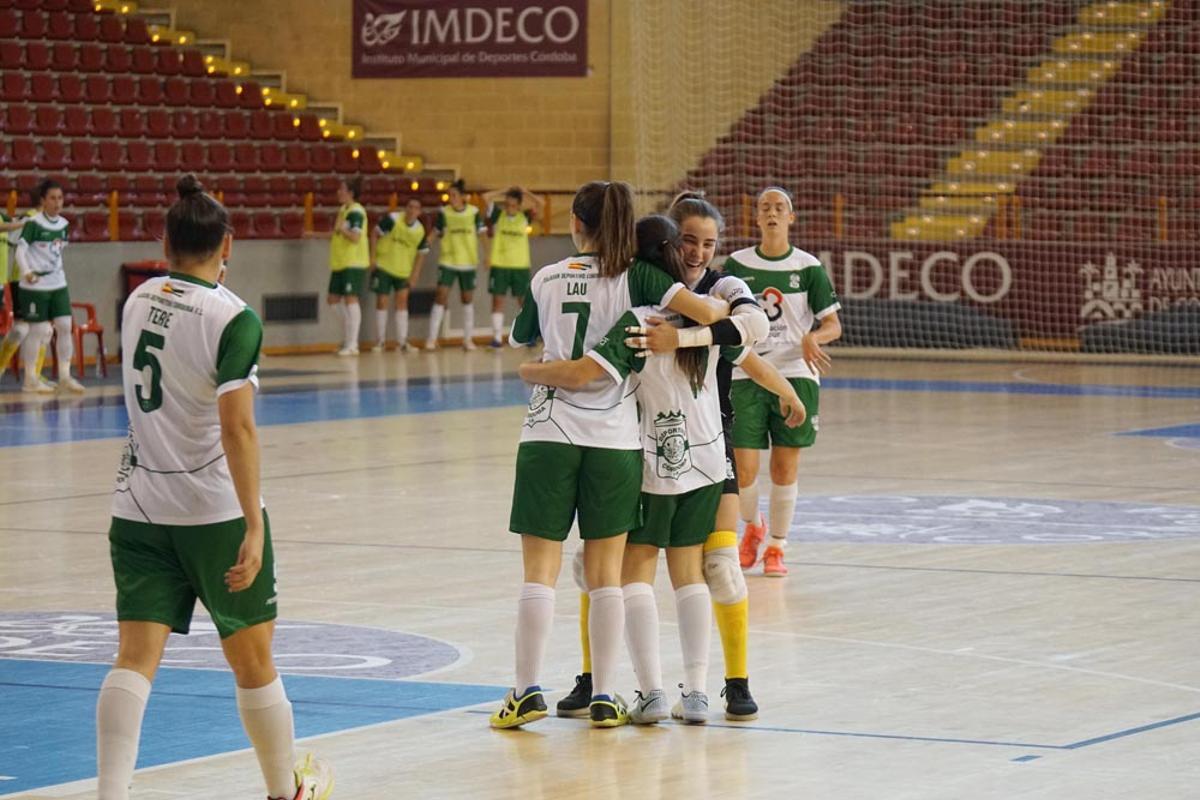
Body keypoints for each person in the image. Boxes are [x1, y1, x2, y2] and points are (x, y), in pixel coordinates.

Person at [98, 175, 332, 800]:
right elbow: (237, 428)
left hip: (138, 506)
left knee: (133, 660)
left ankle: (110, 793)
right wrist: (253, 523)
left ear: (164, 241)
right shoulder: (234, 318)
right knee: (253, 661)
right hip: (213, 513)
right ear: (227, 245)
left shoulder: (138, 299)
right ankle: (285, 791)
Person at [523, 215, 805, 725]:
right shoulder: (709, 311)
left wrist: (534, 371)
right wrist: (786, 390)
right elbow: (748, 349)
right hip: (703, 459)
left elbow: (586, 373)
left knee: (628, 574)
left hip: (650, 459)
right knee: (688, 573)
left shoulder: (638, 315)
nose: (699, 250)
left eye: (708, 242)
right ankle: (688, 692)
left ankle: (655, 691)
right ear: (675, 250)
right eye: (690, 241)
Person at [490, 181, 731, 731]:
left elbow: (521, 338)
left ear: (575, 224)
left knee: (539, 572)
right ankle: (604, 695)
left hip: (547, 433)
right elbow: (707, 312)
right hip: (613, 441)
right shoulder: (640, 277)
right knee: (606, 576)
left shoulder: (546, 276)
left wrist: (534, 367)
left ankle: (525, 690)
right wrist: (726, 303)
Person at [727, 187, 842, 577]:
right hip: (745, 370)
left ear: (791, 218)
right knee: (743, 469)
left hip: (795, 373)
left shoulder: (808, 267)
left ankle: (777, 546)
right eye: (765, 208)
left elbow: (833, 324)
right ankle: (753, 527)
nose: (772, 213)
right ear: (757, 218)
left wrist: (815, 337)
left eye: (779, 208)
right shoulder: (737, 264)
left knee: (783, 467)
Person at [6, 180, 83, 393]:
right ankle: (30, 378)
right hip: (35, 287)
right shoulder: (33, 224)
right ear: (43, 200)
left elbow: (57, 252)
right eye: (52, 198)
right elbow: (20, 251)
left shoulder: (64, 225)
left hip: (58, 284)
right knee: (38, 330)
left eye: (60, 198)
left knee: (65, 325)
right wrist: (27, 272)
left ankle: (65, 376)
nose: (57, 203)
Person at [426, 179, 488, 351]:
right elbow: (434, 233)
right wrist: (424, 246)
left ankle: (467, 339)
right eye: (449, 195)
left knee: (467, 299)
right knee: (441, 296)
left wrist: (488, 256)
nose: (451, 198)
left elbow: (483, 235)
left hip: (468, 262)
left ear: (462, 197)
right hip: (448, 261)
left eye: (454, 195)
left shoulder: (473, 213)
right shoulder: (444, 213)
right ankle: (431, 339)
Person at [311, 178, 368, 356]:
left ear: (350, 192)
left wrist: (343, 230)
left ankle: (353, 344)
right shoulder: (344, 210)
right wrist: (315, 234)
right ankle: (349, 335)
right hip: (340, 261)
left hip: (353, 262)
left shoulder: (356, 212)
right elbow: (337, 234)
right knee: (333, 299)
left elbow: (355, 237)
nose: (338, 192)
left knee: (351, 299)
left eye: (342, 189)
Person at [481, 186, 543, 347]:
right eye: (507, 205)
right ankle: (496, 338)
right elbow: (485, 197)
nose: (510, 208)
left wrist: (525, 192)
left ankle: (528, 336)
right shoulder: (498, 215)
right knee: (497, 301)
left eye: (514, 205)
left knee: (524, 302)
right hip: (500, 265)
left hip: (520, 266)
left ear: (519, 206)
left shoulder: (525, 217)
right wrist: (504, 191)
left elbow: (541, 203)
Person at [368, 196, 429, 352]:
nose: (412, 211)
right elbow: (374, 233)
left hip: (403, 270)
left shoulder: (420, 230)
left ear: (420, 212)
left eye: (416, 208)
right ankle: (380, 341)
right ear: (405, 208)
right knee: (382, 301)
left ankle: (402, 342)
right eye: (410, 207)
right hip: (384, 266)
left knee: (402, 302)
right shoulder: (393, 219)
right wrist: (373, 257)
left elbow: (422, 253)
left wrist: (415, 274)